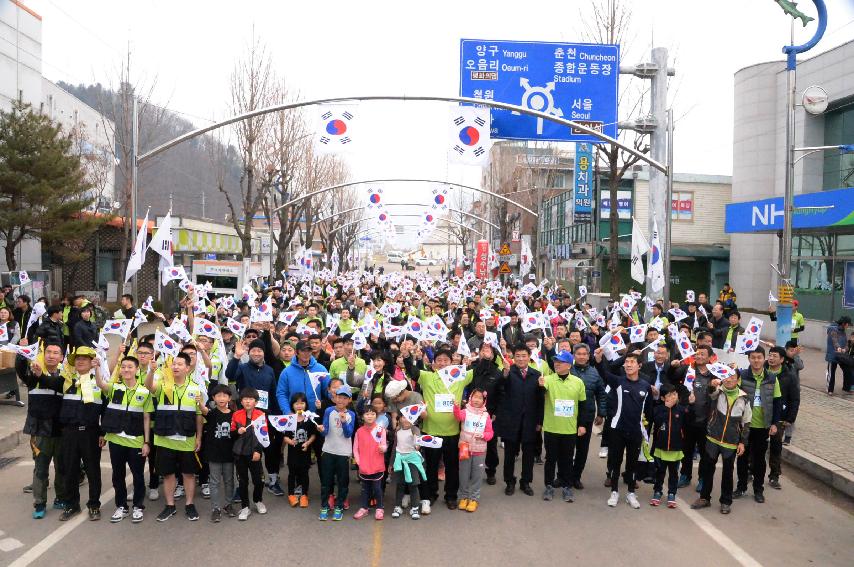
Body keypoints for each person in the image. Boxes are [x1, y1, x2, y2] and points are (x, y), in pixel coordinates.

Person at [401, 345, 473, 510]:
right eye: (439, 360)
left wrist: (483, 358)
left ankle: (451, 496)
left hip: (452, 432)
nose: (442, 363)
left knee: (452, 467)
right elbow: (413, 371)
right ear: (433, 364)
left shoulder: (460, 376)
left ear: (452, 362)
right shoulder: (427, 377)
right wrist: (407, 356)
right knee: (431, 466)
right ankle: (431, 494)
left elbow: (479, 371)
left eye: (445, 360)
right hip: (430, 431)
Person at [145, 352, 204, 522]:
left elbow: (199, 415)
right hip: (165, 439)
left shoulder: (195, 388)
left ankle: (189, 504)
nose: (176, 366)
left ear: (188, 367)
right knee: (168, 474)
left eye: (180, 364)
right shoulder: (164, 385)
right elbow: (150, 387)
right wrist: (151, 371)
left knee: (189, 474)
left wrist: (199, 437)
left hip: (187, 439)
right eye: (174, 364)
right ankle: (170, 505)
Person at [95, 355, 153, 523]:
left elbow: (146, 418)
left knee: (138, 476)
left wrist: (146, 442)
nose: (126, 370)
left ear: (136, 370)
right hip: (116, 441)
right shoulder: (114, 388)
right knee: (117, 476)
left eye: (130, 367)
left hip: (136, 441)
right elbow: (100, 384)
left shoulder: (144, 391)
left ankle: (137, 507)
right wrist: (97, 368)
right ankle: (121, 506)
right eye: (124, 367)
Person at [594, 350, 653, 509]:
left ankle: (631, 493)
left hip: (635, 431)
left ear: (639, 366)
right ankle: (614, 492)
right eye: (626, 362)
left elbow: (648, 410)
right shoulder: (618, 381)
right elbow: (603, 373)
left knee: (632, 464)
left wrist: (645, 428)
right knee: (615, 461)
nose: (628, 365)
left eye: (632, 362)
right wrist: (598, 361)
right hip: (617, 429)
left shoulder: (646, 386)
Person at [226, 338, 282, 496]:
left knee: (269, 448)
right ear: (249, 352)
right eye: (253, 350)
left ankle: (272, 480)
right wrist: (236, 357)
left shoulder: (269, 370)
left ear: (264, 353)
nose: (257, 353)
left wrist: (276, 415)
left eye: (260, 350)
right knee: (243, 450)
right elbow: (229, 374)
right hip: (245, 416)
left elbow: (273, 393)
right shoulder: (242, 367)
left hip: (265, 415)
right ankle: (240, 486)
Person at [17, 341, 67, 519]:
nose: (51, 355)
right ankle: (39, 503)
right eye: (48, 352)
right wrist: (22, 352)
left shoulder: (65, 374)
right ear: (43, 353)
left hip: (61, 429)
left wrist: (42, 375)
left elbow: (58, 385)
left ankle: (61, 498)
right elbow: (21, 370)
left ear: (61, 357)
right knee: (40, 469)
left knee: (62, 467)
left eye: (56, 353)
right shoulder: (33, 371)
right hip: (40, 430)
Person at [692, 369, 750, 514]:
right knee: (707, 469)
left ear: (738, 380)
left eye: (732, 377)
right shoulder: (718, 392)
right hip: (713, 438)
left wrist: (742, 442)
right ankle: (704, 498)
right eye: (726, 376)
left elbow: (746, 423)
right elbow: (710, 392)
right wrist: (713, 385)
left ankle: (725, 501)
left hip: (731, 442)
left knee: (728, 473)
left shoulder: (744, 398)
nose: (729, 379)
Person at [58, 346, 103, 521]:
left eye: (85, 358)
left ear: (92, 362)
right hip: (69, 433)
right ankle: (72, 505)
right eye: (77, 359)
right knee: (70, 470)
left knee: (93, 471)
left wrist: (103, 432)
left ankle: (93, 505)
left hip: (90, 433)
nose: (80, 361)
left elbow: (105, 410)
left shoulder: (98, 383)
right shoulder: (67, 381)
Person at [733, 347, 781, 503]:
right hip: (745, 426)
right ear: (749, 359)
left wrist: (774, 423)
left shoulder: (772, 378)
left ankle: (758, 490)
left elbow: (777, 402)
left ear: (764, 359)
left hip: (763, 426)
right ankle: (741, 487)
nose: (756, 360)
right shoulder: (742, 376)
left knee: (760, 460)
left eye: (759, 357)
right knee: (742, 458)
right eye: (753, 357)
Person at [539, 350, 587, 503]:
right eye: (555, 361)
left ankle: (567, 486)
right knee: (550, 459)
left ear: (569, 365)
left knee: (567, 459)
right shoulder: (547, 379)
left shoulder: (578, 382)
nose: (557, 364)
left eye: (560, 361)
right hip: (551, 428)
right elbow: (539, 397)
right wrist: (540, 386)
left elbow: (583, 405)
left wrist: (582, 425)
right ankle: (548, 486)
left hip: (569, 429)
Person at [496, 344, 543, 498]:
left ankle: (526, 482)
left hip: (529, 421)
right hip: (511, 421)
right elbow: (499, 388)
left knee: (528, 453)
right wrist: (505, 373)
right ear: (513, 357)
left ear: (529, 357)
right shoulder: (508, 373)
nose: (521, 359)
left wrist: (539, 421)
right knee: (509, 454)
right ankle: (510, 481)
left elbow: (540, 400)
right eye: (518, 356)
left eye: (524, 356)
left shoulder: (536, 375)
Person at [568, 343, 606, 490]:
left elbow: (601, 394)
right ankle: (563, 475)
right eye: (579, 354)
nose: (582, 356)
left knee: (582, 449)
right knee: (566, 448)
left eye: (585, 354)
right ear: (574, 355)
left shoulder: (594, 373)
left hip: (586, 417)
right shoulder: (567, 370)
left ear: (588, 355)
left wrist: (601, 413)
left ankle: (576, 477)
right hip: (567, 416)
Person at [317, 385, 356, 521]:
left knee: (342, 481)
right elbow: (326, 431)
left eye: (344, 398)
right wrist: (321, 429)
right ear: (335, 398)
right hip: (328, 450)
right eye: (339, 397)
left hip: (343, 453)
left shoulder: (351, 414)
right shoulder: (328, 411)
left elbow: (348, 433)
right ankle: (324, 506)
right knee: (326, 481)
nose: (341, 400)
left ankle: (339, 506)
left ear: (349, 400)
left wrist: (344, 421)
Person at [454, 388, 494, 512]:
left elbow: (490, 433)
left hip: (479, 450)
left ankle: (474, 499)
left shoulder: (486, 415)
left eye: (480, 398)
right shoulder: (465, 411)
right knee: (463, 474)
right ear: (470, 398)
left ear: (484, 400)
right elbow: (458, 416)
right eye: (475, 397)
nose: (477, 400)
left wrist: (483, 436)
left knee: (477, 475)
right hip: (464, 448)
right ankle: (463, 497)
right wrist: (455, 407)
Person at [468, 343, 503, 485]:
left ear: (493, 354)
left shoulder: (497, 372)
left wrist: (496, 413)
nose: (485, 352)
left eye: (488, 350)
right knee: (470, 441)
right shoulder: (473, 369)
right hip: (472, 413)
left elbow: (501, 394)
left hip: (489, 415)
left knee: (491, 445)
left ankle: (491, 471)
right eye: (483, 350)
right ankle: (471, 469)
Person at [231, 387, 267, 520]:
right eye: (245, 399)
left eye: (251, 399)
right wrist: (237, 432)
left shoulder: (261, 415)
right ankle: (245, 506)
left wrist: (258, 451)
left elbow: (264, 435)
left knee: (259, 480)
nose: (247, 402)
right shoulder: (236, 415)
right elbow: (231, 434)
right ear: (241, 401)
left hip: (254, 453)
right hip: (240, 454)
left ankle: (258, 500)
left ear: (256, 402)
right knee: (242, 481)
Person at [649, 384, 687, 508]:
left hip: (675, 449)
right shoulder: (658, 409)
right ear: (663, 398)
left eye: (674, 394)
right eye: (669, 395)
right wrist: (666, 409)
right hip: (661, 448)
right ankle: (657, 491)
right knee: (660, 472)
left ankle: (672, 493)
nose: (673, 397)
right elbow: (658, 421)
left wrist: (691, 404)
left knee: (674, 473)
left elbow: (689, 421)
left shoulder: (681, 410)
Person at [767, 346, 799, 490]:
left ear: (782, 359)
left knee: (775, 447)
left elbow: (794, 399)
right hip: (760, 415)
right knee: (755, 445)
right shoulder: (761, 371)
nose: (771, 358)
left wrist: (790, 418)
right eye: (770, 355)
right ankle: (750, 471)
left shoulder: (789, 376)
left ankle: (774, 476)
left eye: (775, 356)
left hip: (779, 417)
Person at [203, 384, 236, 522]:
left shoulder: (235, 415)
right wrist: (199, 400)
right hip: (214, 454)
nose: (221, 398)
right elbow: (203, 409)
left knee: (229, 481)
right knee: (215, 482)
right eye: (218, 395)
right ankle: (215, 508)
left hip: (229, 454)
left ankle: (228, 504)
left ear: (229, 397)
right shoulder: (212, 414)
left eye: (224, 395)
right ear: (213, 398)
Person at [352, 405, 388, 520]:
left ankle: (380, 508)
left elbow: (384, 445)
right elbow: (355, 449)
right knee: (365, 489)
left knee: (377, 488)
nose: (370, 416)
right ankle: (364, 507)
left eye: (372, 414)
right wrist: (358, 461)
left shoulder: (380, 430)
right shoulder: (359, 431)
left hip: (377, 464)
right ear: (363, 416)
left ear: (376, 416)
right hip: (364, 466)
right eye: (367, 414)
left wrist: (383, 448)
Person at [390, 409, 426, 520]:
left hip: (412, 460)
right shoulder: (398, 430)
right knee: (400, 484)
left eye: (410, 417)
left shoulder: (415, 430)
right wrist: (391, 464)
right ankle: (397, 507)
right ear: (400, 418)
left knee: (413, 484)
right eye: (404, 417)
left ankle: (415, 508)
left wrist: (417, 445)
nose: (406, 420)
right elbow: (395, 448)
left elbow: (418, 442)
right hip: (400, 459)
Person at [284, 392, 317, 508]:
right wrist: (291, 442)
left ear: (306, 404)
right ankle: (291, 495)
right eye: (296, 403)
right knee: (291, 474)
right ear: (292, 405)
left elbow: (313, 435)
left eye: (302, 403)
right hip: (293, 452)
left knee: (304, 473)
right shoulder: (290, 419)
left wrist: (308, 443)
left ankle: (304, 495)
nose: (299, 406)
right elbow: (285, 436)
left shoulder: (309, 419)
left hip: (305, 452)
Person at [825, 316, 852, 395]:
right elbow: (834, 340)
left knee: (847, 370)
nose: (848, 326)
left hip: (842, 355)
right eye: (848, 324)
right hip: (832, 355)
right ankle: (830, 390)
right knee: (831, 373)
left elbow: (846, 342)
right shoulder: (833, 329)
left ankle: (846, 388)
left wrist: (845, 349)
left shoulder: (843, 331)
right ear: (843, 323)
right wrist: (839, 347)